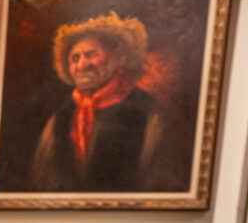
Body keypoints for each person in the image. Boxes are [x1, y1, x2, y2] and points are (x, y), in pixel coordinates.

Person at [15, 12, 184, 194]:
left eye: (91, 54)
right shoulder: (60, 120)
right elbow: (40, 185)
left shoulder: (150, 112)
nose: (81, 65)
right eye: (75, 58)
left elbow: (163, 185)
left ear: (119, 58)